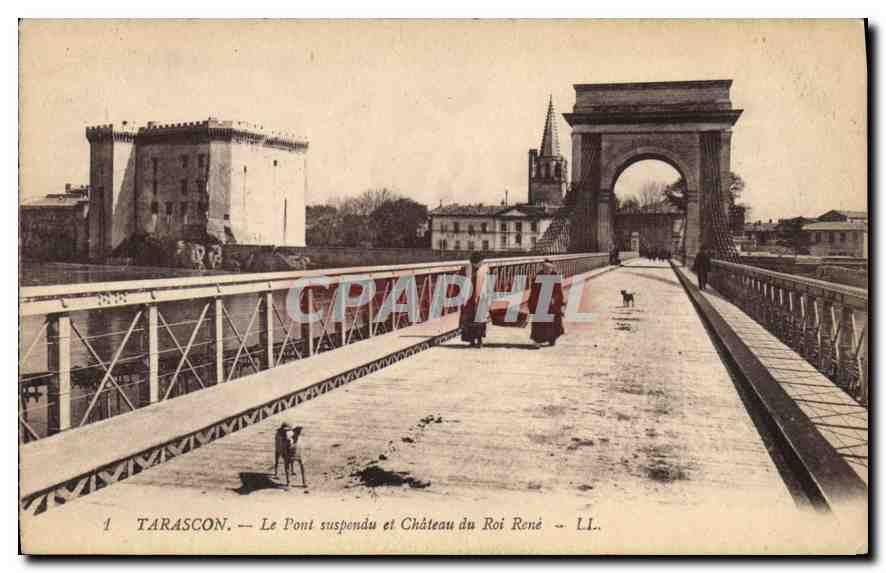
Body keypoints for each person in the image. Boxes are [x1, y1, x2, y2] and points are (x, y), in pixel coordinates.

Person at [528, 260, 565, 347]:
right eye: (545, 268)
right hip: (541, 302)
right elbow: (534, 291)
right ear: (543, 268)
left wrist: (555, 299)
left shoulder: (555, 277)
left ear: (552, 268)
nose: (547, 270)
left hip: (552, 304)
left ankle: (552, 339)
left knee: (553, 323)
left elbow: (559, 291)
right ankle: (537, 341)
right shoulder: (538, 277)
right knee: (540, 323)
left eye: (549, 268)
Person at [459, 252, 489, 347]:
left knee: (479, 320)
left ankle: (479, 341)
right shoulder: (465, 270)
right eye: (481, 261)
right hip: (469, 299)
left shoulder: (484, 269)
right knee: (470, 320)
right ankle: (472, 341)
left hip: (480, 298)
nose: (482, 263)